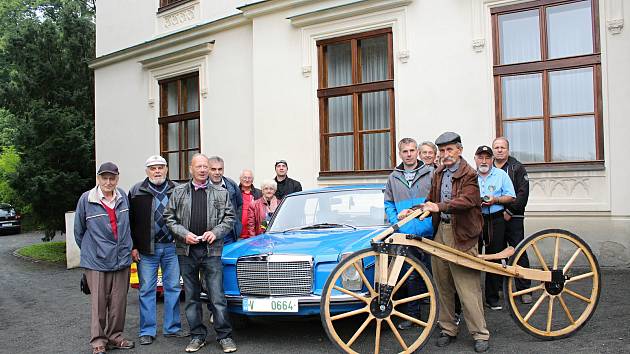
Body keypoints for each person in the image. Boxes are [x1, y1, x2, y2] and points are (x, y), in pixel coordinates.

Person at [421, 132, 490, 353]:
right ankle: (448, 328)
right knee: (443, 284)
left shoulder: (469, 173)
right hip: (441, 230)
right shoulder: (439, 173)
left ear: (459, 150)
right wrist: (414, 211)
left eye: (449, 150)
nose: (445, 154)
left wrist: (438, 207)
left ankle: (480, 333)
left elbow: (468, 200)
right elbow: (430, 200)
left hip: (463, 234)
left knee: (467, 286)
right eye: (442, 151)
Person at [163, 154, 237, 353]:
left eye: (206, 166)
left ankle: (225, 336)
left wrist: (215, 232)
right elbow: (168, 218)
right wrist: (183, 234)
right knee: (192, 297)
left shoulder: (221, 193)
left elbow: (230, 218)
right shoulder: (178, 192)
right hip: (186, 251)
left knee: (217, 296)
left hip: (211, 251)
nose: (203, 170)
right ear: (191, 169)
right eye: (199, 166)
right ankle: (197, 336)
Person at [74, 162, 135, 354]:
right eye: (104, 178)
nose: (108, 182)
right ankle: (98, 341)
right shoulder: (86, 199)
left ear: (117, 178)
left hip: (121, 258)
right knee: (99, 302)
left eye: (112, 178)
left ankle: (115, 337)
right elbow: (79, 232)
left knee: (118, 302)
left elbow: (129, 226)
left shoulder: (123, 196)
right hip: (97, 261)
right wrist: (91, 251)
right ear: (98, 179)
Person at [128, 155, 187, 345]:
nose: (157, 171)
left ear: (167, 169)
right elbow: (131, 221)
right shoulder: (137, 190)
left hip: (172, 247)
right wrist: (134, 246)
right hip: (147, 250)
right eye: (153, 168)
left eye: (161, 167)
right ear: (147, 171)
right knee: (146, 290)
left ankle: (172, 327)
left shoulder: (177, 189)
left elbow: (185, 216)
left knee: (173, 288)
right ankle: (147, 330)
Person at [384, 138, 434, 330]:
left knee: (434, 274)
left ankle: (436, 316)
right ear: (400, 154)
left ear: (417, 152)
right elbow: (388, 202)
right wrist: (396, 219)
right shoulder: (393, 177)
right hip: (405, 233)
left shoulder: (430, 172)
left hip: (428, 231)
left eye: (412, 150)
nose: (409, 154)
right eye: (405, 151)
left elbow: (438, 199)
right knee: (410, 276)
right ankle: (413, 316)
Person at [474, 145, 515, 311]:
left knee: (495, 256)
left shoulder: (501, 175)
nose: (484, 161)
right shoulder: (469, 175)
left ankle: (492, 298)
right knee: (471, 257)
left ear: (492, 159)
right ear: (475, 158)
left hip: (495, 218)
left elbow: (511, 196)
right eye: (480, 157)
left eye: (487, 158)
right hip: (475, 218)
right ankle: (473, 299)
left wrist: (496, 200)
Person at [492, 137, 532, 304]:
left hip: (513, 217)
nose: (499, 150)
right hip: (494, 218)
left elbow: (523, 193)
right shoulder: (488, 168)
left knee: (518, 252)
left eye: (502, 147)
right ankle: (498, 289)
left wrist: (510, 210)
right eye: (496, 147)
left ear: (508, 150)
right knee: (496, 252)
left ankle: (524, 290)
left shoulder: (517, 167)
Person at [208, 156, 242, 245]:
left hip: (229, 235)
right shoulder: (202, 186)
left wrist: (236, 223)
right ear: (208, 170)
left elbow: (239, 204)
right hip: (209, 235)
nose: (217, 172)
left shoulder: (231, 184)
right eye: (213, 169)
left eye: (220, 169)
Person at [239, 169, 262, 239]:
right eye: (245, 177)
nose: (247, 180)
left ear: (252, 180)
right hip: (238, 235)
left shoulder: (259, 193)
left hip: (254, 235)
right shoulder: (235, 193)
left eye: (249, 178)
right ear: (240, 179)